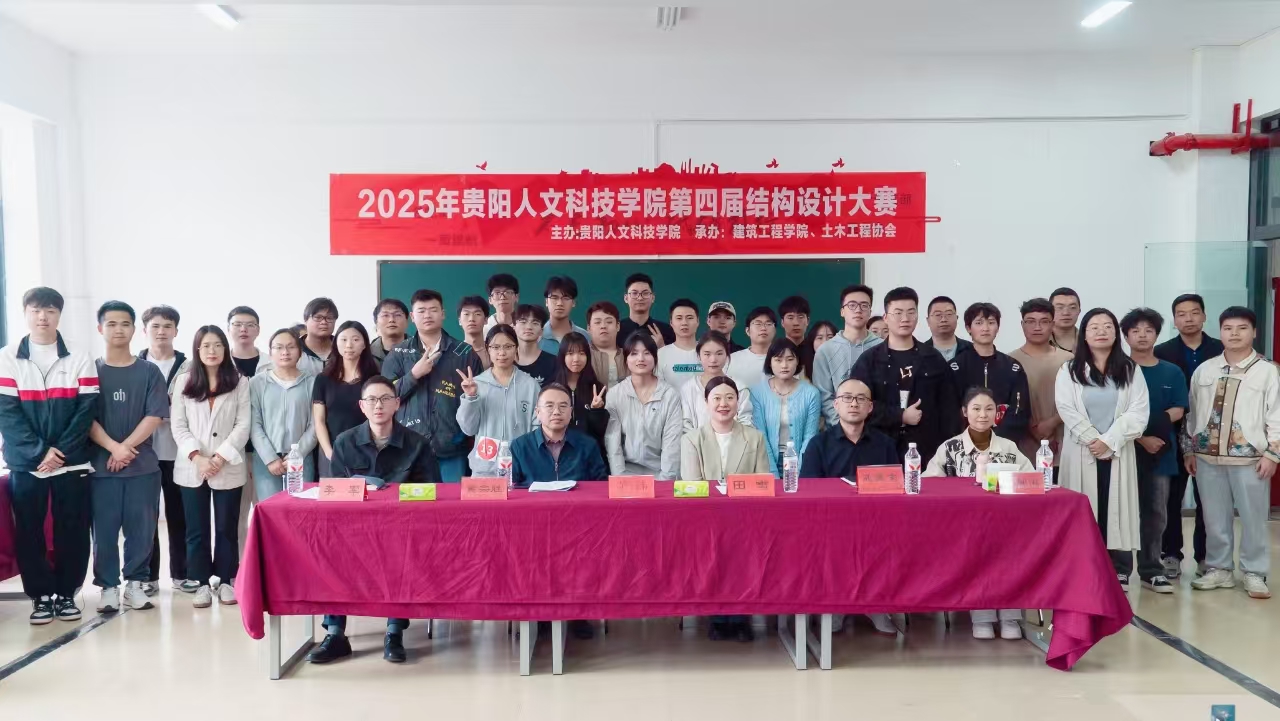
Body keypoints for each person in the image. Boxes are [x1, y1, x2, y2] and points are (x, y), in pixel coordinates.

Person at [307, 375, 441, 666]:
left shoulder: (417, 444)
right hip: (353, 531)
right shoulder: (345, 442)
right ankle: (335, 634)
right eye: (371, 400)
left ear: (397, 403)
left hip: (401, 530)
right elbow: (335, 493)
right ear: (362, 406)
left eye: (385, 399)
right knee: (333, 553)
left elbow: (432, 492)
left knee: (401, 554)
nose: (378, 405)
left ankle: (394, 632)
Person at [0, 287, 99, 624]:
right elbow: (7, 414)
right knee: (29, 531)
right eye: (36, 310)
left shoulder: (80, 356)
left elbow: (86, 410)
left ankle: (68, 594)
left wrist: (61, 452)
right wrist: (40, 451)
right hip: (27, 464)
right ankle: (41, 597)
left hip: (72, 463)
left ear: (59, 314)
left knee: (73, 529)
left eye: (50, 310)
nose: (43, 317)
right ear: (25, 313)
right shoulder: (7, 357)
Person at [921, 386, 1030, 640]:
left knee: (1012, 550)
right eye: (976, 409)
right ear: (964, 412)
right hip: (962, 529)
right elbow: (928, 485)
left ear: (997, 414)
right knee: (977, 551)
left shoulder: (1009, 447)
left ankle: (1010, 616)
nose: (983, 415)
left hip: (1006, 526)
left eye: (989, 409)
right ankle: (982, 617)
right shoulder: (949, 448)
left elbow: (1030, 480)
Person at [1184, 307, 1278, 600]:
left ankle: (1255, 572)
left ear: (1254, 332)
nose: (1234, 334)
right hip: (1207, 457)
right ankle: (1219, 568)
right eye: (1228, 328)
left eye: (1241, 328)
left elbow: (1276, 415)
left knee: (1253, 518)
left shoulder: (1267, 371)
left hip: (1251, 459)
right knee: (1214, 518)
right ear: (1220, 331)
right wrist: (1189, 450)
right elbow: (1192, 413)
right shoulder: (1205, 370)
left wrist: (1272, 454)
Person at [1055, 308, 1150, 586]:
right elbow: (1066, 409)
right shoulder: (1069, 371)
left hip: (1117, 451)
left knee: (1116, 508)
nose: (1101, 331)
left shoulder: (1130, 370)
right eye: (1094, 327)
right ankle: (1084, 568)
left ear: (1116, 334)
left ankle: (1118, 569)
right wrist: (1093, 440)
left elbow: (1138, 412)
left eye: (1107, 326)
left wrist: (1109, 441)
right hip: (1082, 450)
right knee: (1084, 509)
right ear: (1084, 335)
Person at [799, 376, 899, 636]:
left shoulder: (885, 444)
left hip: (876, 522)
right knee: (833, 544)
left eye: (860, 399)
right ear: (836, 404)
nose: (854, 404)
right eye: (847, 398)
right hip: (831, 523)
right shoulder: (818, 444)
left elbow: (895, 486)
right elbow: (808, 490)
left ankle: (876, 605)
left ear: (870, 407)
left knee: (887, 540)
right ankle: (837, 605)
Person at [87, 301, 169, 614]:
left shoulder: (149, 372)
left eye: (125, 323)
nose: (118, 329)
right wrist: (112, 447)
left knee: (142, 530)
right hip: (101, 469)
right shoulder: (90, 371)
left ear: (135, 329)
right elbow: (85, 417)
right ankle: (108, 587)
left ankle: (135, 584)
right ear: (100, 328)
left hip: (142, 467)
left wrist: (124, 448)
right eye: (111, 323)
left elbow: (155, 415)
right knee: (104, 532)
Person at [680, 375, 770, 643]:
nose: (723, 404)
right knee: (713, 554)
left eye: (730, 398)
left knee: (742, 555)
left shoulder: (755, 438)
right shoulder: (692, 439)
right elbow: (693, 485)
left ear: (738, 402)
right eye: (717, 398)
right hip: (705, 518)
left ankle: (741, 618)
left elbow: (763, 483)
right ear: (706, 402)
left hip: (745, 518)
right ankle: (717, 618)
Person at [171, 325, 251, 609]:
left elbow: (243, 425)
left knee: (227, 527)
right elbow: (178, 425)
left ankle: (226, 580)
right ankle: (201, 582)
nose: (212, 351)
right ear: (197, 349)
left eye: (217, 345)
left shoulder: (240, 382)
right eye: (206, 345)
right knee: (196, 529)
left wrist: (219, 458)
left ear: (225, 349)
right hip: (192, 466)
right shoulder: (184, 381)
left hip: (227, 465)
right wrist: (197, 457)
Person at [382, 289, 485, 483]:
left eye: (433, 310)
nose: (427, 315)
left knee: (452, 501)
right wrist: (413, 375)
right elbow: (385, 399)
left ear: (443, 314)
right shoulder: (398, 353)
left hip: (452, 448)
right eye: (421, 311)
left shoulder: (464, 353)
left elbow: (479, 402)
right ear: (412, 317)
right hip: (408, 450)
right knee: (410, 502)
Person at [1120, 308, 1188, 594]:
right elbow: (1114, 413)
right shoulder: (1117, 370)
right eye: (1135, 331)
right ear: (1125, 336)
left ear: (1157, 335)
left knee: (1156, 513)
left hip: (1161, 451)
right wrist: (1140, 436)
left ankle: (1151, 570)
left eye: (1148, 330)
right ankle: (1120, 570)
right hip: (1124, 451)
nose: (1142, 336)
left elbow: (1178, 409)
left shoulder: (1171, 371)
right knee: (1122, 511)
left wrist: (1151, 429)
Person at [1154, 293, 1222, 579]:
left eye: (1194, 312)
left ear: (1204, 316)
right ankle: (1170, 554)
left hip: (1213, 434)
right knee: (1171, 499)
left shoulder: (1221, 349)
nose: (1189, 319)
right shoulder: (1162, 351)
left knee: (1210, 500)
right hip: (1172, 436)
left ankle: (1206, 556)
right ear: (1174, 320)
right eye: (1181, 314)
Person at [851, 287, 959, 462]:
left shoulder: (933, 358)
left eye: (911, 312)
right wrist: (899, 415)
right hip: (878, 449)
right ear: (886, 317)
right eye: (898, 313)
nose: (905, 319)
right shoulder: (869, 360)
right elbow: (858, 404)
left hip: (927, 452)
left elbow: (949, 409)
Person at [138, 305, 191, 595]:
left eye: (167, 326)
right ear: (145, 330)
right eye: (155, 326)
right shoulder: (134, 365)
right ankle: (148, 576)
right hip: (143, 452)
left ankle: (182, 573)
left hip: (180, 451)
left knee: (179, 515)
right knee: (146, 517)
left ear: (176, 331)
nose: (161, 331)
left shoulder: (189, 366)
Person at [456, 324, 541, 476]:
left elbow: (538, 427)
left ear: (516, 348)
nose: (502, 353)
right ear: (488, 349)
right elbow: (468, 429)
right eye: (495, 347)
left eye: (508, 346)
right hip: (484, 471)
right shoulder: (477, 384)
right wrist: (470, 397)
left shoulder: (530, 385)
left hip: (521, 468)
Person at [949, 303, 1031, 446]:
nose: (985, 328)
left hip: (1004, 445)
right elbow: (949, 410)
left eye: (991, 323)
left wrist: (996, 439)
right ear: (968, 328)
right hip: (964, 444)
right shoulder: (955, 367)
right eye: (979, 323)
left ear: (998, 327)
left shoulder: (1013, 367)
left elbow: (1020, 410)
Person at [250, 329, 317, 500]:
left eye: (291, 347)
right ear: (270, 352)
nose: (285, 352)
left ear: (300, 352)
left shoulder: (312, 383)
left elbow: (316, 424)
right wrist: (270, 458)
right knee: (270, 510)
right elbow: (254, 424)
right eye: (278, 347)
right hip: (266, 461)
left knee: (301, 509)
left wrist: (298, 454)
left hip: (302, 459)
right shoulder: (257, 383)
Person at [605, 332, 683, 479]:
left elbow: (672, 445)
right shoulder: (615, 394)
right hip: (626, 474)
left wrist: (665, 481)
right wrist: (621, 479)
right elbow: (613, 443)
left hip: (661, 474)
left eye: (647, 353)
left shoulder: (669, 395)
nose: (640, 358)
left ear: (655, 358)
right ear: (626, 359)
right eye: (634, 353)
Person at [1009, 298, 1074, 470]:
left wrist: (1052, 422)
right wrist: (1033, 429)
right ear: (1022, 325)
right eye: (1031, 321)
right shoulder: (1009, 361)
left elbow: (1079, 401)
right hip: (1022, 450)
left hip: (1063, 444)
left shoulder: (1069, 360)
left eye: (1044, 321)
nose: (1037, 327)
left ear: (1053, 324)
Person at [312, 321, 380, 477]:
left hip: (367, 452)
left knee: (367, 491)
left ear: (364, 344)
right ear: (336, 344)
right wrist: (329, 452)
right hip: (331, 450)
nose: (349, 345)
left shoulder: (374, 379)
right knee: (334, 492)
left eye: (355, 339)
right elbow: (319, 421)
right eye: (343, 339)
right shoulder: (323, 379)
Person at [511, 384, 608, 486]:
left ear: (571, 412)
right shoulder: (520, 447)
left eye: (563, 406)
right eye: (549, 406)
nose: (556, 412)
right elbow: (511, 488)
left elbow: (601, 486)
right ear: (538, 412)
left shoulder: (588, 445)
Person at [813, 285, 883, 425]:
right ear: (842, 311)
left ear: (870, 311)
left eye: (864, 305)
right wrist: (845, 427)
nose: (858, 310)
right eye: (852, 305)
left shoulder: (883, 347)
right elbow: (824, 396)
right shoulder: (825, 350)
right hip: (838, 430)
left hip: (877, 429)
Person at [751, 339, 821, 477]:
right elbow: (761, 435)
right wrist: (772, 473)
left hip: (801, 462)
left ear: (797, 362)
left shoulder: (811, 393)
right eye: (778, 360)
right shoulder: (757, 393)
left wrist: (798, 471)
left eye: (790, 359)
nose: (784, 365)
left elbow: (810, 436)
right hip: (766, 461)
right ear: (769, 362)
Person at [552, 332, 609, 464]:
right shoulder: (552, 389)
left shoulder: (597, 388)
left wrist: (596, 410)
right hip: (560, 456)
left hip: (591, 457)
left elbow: (600, 432)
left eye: (582, 353)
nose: (576, 359)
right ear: (562, 356)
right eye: (570, 353)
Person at [680, 331, 753, 431]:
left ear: (727, 355)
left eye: (719, 353)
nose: (713, 359)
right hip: (698, 441)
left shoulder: (739, 387)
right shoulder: (688, 388)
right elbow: (686, 427)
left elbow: (746, 424)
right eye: (707, 354)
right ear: (698, 356)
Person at [617, 272, 675, 346]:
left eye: (645, 293)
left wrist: (662, 348)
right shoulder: (616, 330)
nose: (640, 298)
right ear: (626, 298)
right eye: (634, 293)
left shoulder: (666, 330)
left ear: (653, 298)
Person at [657, 298, 702, 388]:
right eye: (679, 318)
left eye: (689, 318)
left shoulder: (709, 353)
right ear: (671, 322)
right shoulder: (661, 354)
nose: (684, 323)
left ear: (697, 321)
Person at [730, 307, 778, 391]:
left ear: (774, 330)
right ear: (747, 331)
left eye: (768, 324)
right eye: (758, 324)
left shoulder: (785, 360)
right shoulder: (732, 360)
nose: (763, 328)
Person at [513, 304, 559, 386]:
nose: (529, 327)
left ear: (542, 331)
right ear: (514, 327)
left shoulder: (553, 362)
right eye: (523, 322)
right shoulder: (503, 359)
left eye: (535, 323)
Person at [543, 276, 590, 349]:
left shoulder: (585, 336)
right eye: (554, 298)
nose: (559, 303)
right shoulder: (536, 336)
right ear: (546, 302)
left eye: (566, 298)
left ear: (573, 302)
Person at [587, 300, 626, 388]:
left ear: (618, 326)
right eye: (597, 322)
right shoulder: (583, 355)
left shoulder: (629, 355)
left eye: (609, 322)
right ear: (589, 328)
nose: (603, 326)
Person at [923, 296, 972, 362]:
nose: (943, 319)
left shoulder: (972, 349)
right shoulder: (920, 352)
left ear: (957, 318)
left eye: (949, 314)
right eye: (937, 315)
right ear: (928, 321)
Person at [298, 297, 339, 375]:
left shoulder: (343, 349)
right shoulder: (294, 350)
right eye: (318, 317)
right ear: (305, 320)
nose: (324, 322)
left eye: (329, 318)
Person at [228, 306, 268, 378]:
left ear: (258, 330)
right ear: (228, 329)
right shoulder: (220, 362)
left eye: (250, 325)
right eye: (237, 324)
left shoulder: (271, 363)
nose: (243, 329)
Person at [370, 298, 409, 364]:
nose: (391, 320)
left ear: (406, 321)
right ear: (376, 322)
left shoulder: (419, 350)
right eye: (385, 315)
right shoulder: (365, 354)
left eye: (397, 315)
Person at [458, 295, 492, 370]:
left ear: (486, 320)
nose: (471, 319)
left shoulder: (494, 350)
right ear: (459, 321)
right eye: (466, 314)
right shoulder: (454, 354)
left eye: (477, 314)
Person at [1050, 288, 1081, 352]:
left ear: (1079, 311)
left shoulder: (1089, 341)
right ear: (1050, 311)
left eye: (1072, 307)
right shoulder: (1039, 341)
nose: (1066, 313)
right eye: (1060, 307)